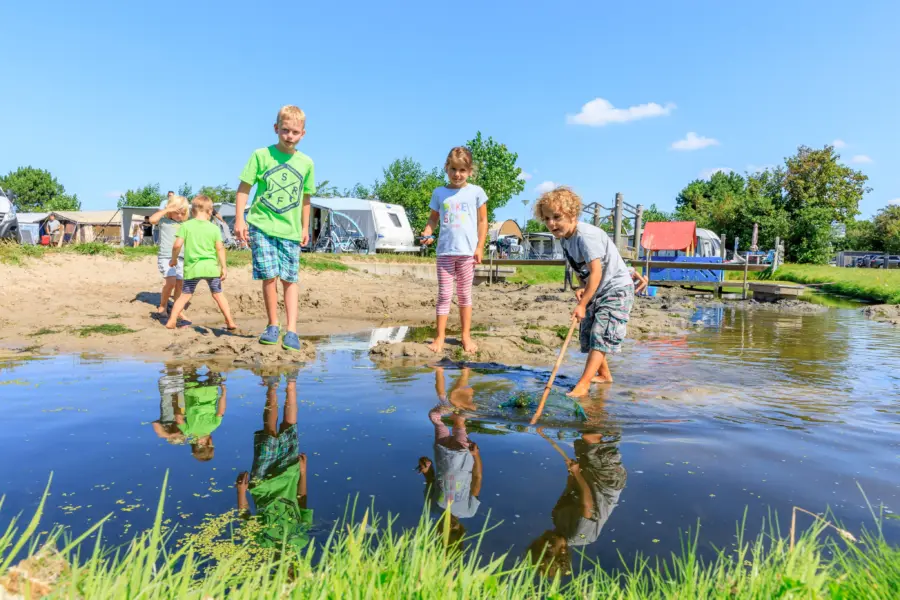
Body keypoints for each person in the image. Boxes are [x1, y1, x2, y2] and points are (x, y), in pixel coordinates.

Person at [535, 186, 634, 397]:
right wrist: (582, 287)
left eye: (557, 217)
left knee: (602, 333)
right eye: (547, 219)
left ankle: (583, 384)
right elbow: (581, 269)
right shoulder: (565, 240)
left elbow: (596, 272)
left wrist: (581, 304)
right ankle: (604, 374)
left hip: (616, 288)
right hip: (597, 289)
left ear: (572, 215)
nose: (551, 223)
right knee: (589, 333)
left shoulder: (586, 236)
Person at [233, 105, 315, 352]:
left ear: (303, 134)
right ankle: (272, 325)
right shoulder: (261, 155)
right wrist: (239, 219)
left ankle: (292, 330)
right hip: (262, 225)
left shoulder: (306, 163)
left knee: (290, 279)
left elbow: (306, 199)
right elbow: (244, 189)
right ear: (276, 128)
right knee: (269, 276)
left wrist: (305, 227)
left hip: (290, 230)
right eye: (285, 130)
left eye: (295, 132)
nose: (289, 136)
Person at [525, 431, 626, 578]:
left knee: (585, 439)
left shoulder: (557, 518)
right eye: (549, 550)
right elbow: (587, 505)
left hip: (588, 477)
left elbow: (570, 489)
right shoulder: (580, 537)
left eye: (539, 545)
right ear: (563, 552)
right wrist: (577, 473)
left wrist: (572, 472)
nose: (546, 544)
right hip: (606, 482)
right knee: (591, 436)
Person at [236, 368, 313, 554]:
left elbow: (245, 518)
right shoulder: (300, 540)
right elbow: (302, 502)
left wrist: (241, 493)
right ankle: (291, 382)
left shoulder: (263, 543)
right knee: (289, 427)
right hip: (290, 477)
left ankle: (272, 386)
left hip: (262, 483)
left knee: (269, 432)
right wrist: (303, 473)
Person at [420, 147, 488, 354]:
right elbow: (433, 219)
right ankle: (440, 336)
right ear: (446, 168)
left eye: (462, 170)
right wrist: (428, 232)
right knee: (444, 295)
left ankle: (465, 336)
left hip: (467, 253)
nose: (457, 174)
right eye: (453, 169)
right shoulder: (439, 193)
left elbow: (483, 221)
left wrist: (480, 247)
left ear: (470, 171)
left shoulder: (476, 192)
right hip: (445, 253)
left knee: (464, 294)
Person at [416, 367, 483, 546]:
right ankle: (465, 372)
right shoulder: (468, 511)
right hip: (463, 454)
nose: (450, 526)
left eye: (444, 529)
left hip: (442, 451)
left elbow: (430, 480)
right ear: (460, 529)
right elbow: (477, 478)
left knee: (434, 416)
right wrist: (475, 455)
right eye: (454, 530)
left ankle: (442, 376)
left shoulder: (433, 506)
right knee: (459, 420)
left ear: (438, 529)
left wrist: (425, 467)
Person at [165, 195, 237, 330]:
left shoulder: (186, 226)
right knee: (218, 294)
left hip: (193, 268)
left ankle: (172, 320)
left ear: (192, 211)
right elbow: (220, 248)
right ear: (210, 212)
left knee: (185, 295)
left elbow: (177, 245)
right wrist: (224, 267)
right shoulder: (214, 228)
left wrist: (173, 259)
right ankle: (230, 321)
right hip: (211, 268)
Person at [149, 195, 190, 320]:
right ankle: (163, 306)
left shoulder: (186, 224)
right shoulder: (164, 221)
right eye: (176, 212)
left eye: (182, 213)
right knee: (171, 282)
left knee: (180, 284)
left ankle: (177, 309)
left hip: (181, 257)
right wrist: (167, 210)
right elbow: (152, 220)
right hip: (166, 257)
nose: (179, 216)